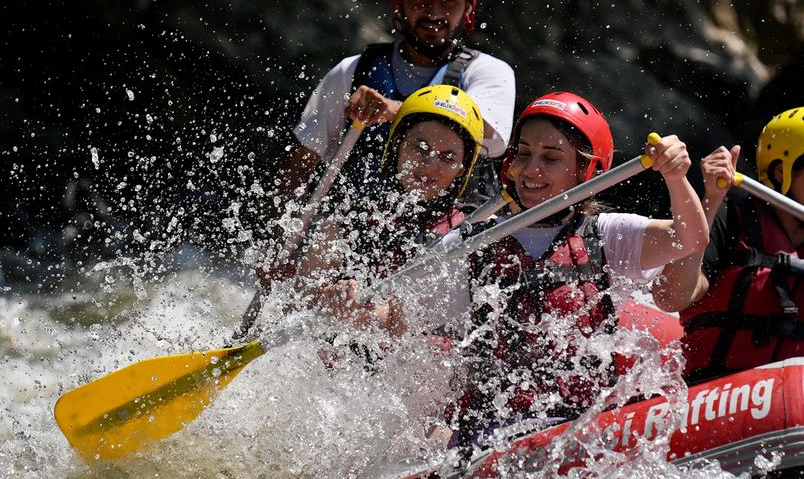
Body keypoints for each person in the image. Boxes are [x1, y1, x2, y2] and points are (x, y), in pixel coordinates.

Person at [452, 92, 709, 448]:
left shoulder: (606, 236)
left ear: (587, 172)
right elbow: (402, 316)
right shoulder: (470, 243)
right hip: (491, 437)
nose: (531, 169)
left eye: (551, 158)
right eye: (523, 153)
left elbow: (690, 237)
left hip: (578, 435)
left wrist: (676, 176)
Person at [277, 0, 515, 213]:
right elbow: (298, 168)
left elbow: (494, 140)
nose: (434, 13)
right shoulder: (352, 71)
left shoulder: (488, 72)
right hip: (359, 228)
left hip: (448, 234)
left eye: (448, 1)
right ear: (399, 4)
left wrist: (395, 111)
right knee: (329, 229)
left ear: (467, 9)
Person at [294, 85, 483, 338]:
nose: (430, 166)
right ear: (397, 145)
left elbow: (437, 325)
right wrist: (325, 299)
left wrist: (366, 316)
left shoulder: (468, 235)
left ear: (462, 170)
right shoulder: (350, 218)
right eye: (420, 148)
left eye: (448, 157)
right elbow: (297, 301)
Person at [652, 107, 804, 383]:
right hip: (717, 394)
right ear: (782, 172)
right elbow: (670, 297)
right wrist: (711, 199)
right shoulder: (733, 220)